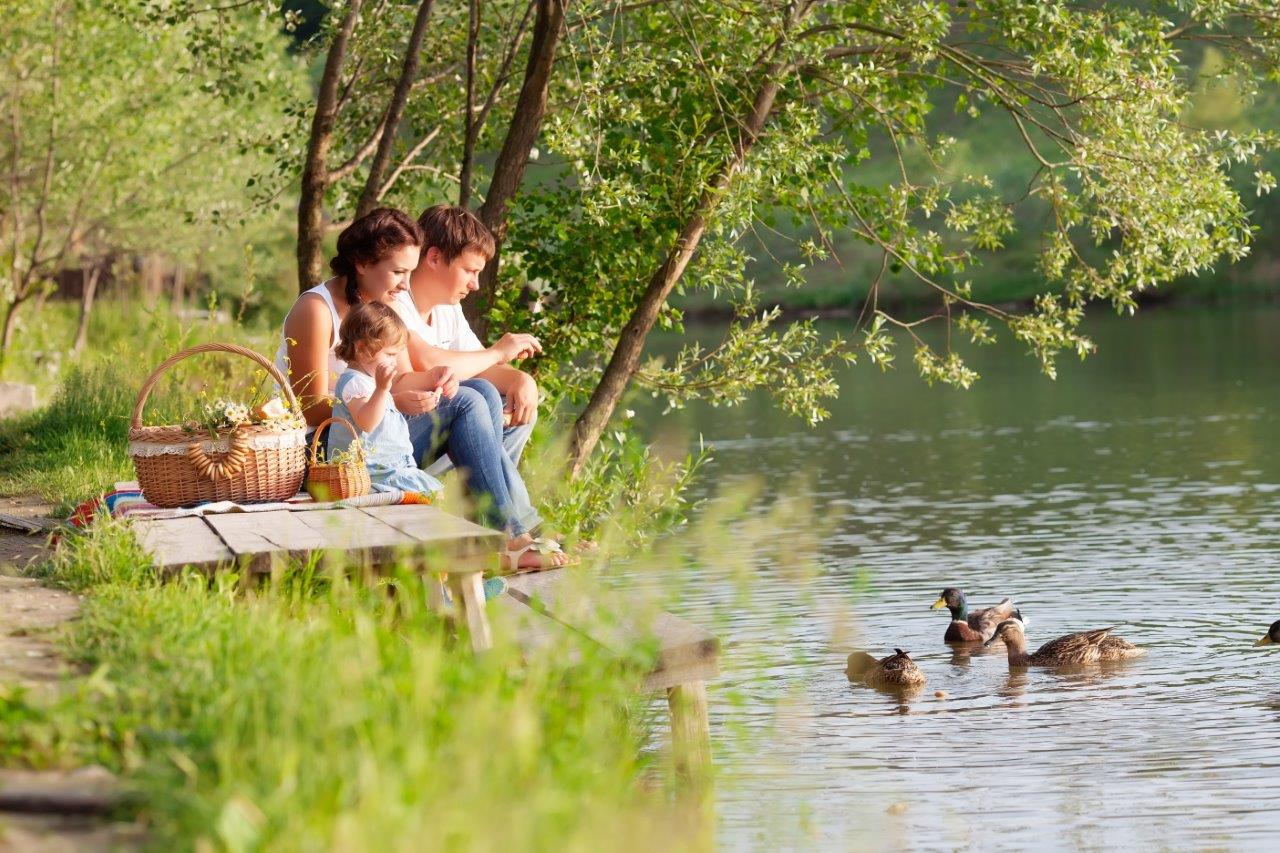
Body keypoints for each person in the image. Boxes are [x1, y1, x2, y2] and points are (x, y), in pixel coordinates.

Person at [276, 207, 567, 570]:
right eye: (398, 272)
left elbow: (399, 378)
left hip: (372, 437)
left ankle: (493, 533)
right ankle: (508, 536)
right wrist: (392, 400)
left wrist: (437, 378)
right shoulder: (316, 310)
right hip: (325, 452)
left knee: (479, 391)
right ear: (362, 263)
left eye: (409, 273)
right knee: (466, 402)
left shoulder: (381, 305)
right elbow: (315, 410)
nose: (404, 285)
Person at [393, 204, 543, 475]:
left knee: (520, 407)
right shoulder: (393, 298)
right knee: (476, 397)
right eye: (469, 271)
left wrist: (521, 381)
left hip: (430, 430)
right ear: (435, 258)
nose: (475, 285)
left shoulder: (447, 308)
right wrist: (498, 352)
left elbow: (478, 365)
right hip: (394, 436)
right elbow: (427, 360)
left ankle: (487, 501)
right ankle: (495, 507)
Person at [327, 302, 442, 496]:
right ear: (362, 348)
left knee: (435, 493)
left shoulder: (369, 381)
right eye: (389, 354)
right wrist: (382, 390)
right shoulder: (354, 383)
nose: (395, 361)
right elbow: (367, 422)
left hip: (391, 466)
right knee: (430, 494)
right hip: (369, 473)